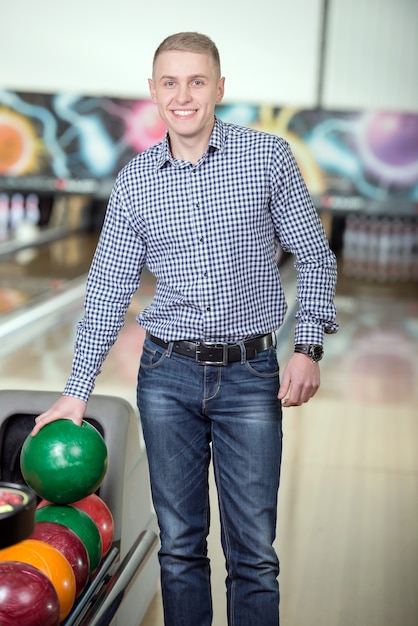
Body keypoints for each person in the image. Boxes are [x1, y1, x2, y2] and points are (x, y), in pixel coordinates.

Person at [32, 32, 338, 626]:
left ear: (219, 88)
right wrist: (77, 389)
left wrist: (309, 346)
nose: (183, 95)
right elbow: (105, 290)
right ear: (153, 92)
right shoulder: (135, 181)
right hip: (165, 377)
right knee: (179, 552)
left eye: (197, 81)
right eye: (169, 83)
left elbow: (316, 256)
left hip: (250, 375)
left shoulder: (267, 157)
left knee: (253, 554)